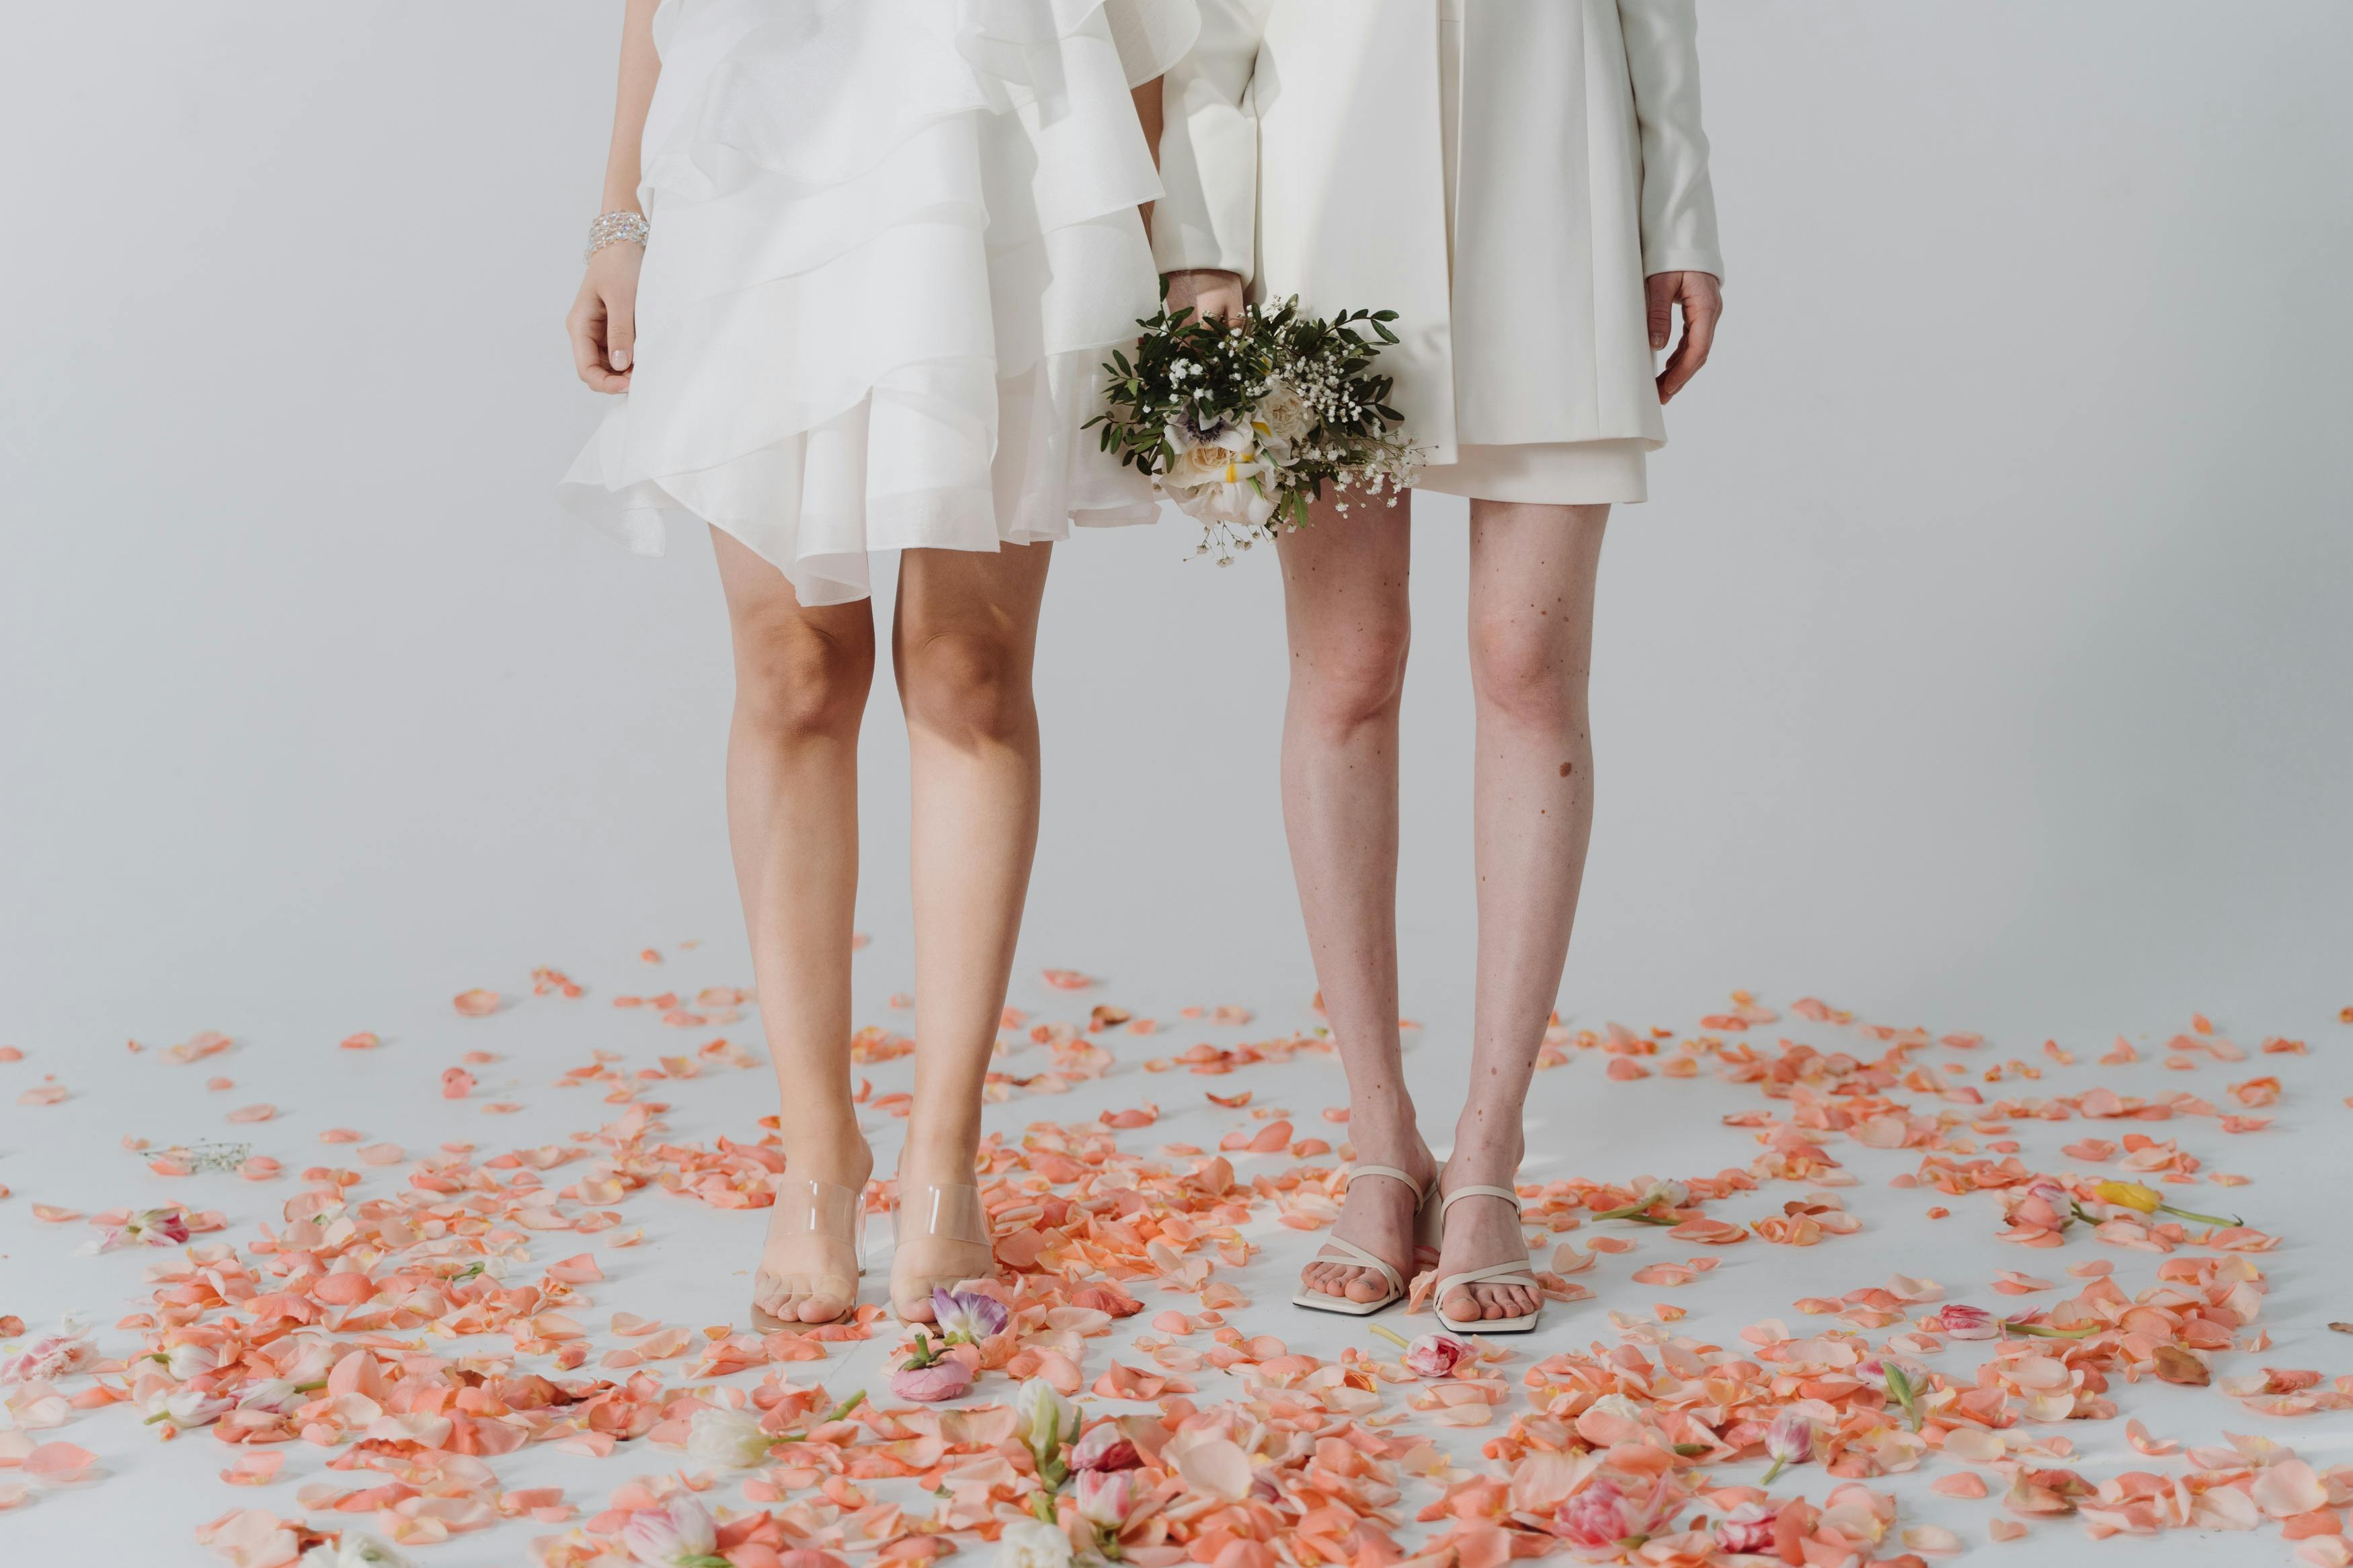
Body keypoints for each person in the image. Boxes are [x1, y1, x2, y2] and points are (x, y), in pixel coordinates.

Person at [558, 0, 1199, 1325]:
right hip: (763, 144)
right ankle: (815, 1155)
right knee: (791, 664)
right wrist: (620, 211)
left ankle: (943, 1151)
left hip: (991, 113)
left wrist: (1149, 216)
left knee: (966, 669)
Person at [1152, 0, 1724, 1333]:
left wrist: (1679, 210)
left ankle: (1489, 1145)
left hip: (1556, 186)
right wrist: (1202, 244)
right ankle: (1376, 1134)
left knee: (1527, 662)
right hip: (1319, 202)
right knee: (1347, 668)